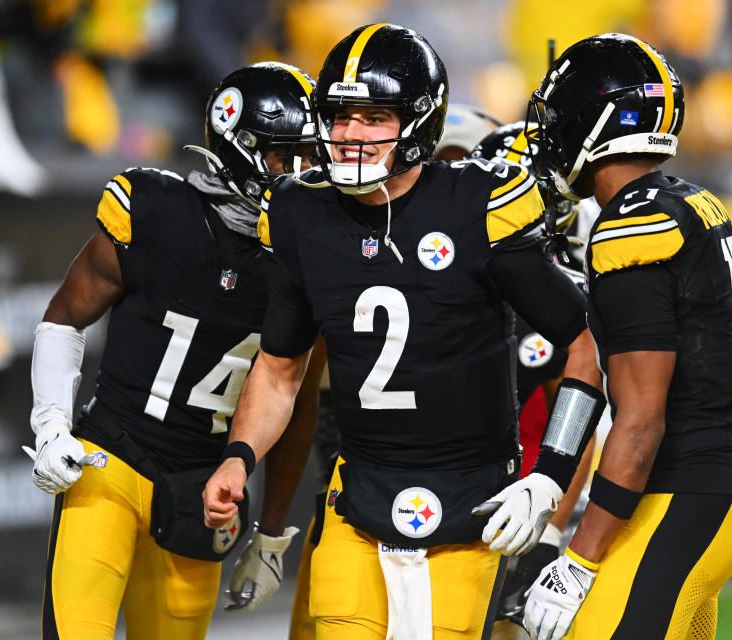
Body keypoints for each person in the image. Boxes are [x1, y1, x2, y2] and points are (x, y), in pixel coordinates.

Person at [203, 23, 603, 640]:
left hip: (474, 504)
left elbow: (583, 346)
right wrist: (239, 457)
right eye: (340, 117)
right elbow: (281, 371)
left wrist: (548, 478)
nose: (352, 136)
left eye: (373, 118)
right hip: (358, 497)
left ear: (417, 122)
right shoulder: (298, 214)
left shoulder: (480, 205)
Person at [25, 61, 322, 640]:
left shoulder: (308, 256)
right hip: (109, 464)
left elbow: (298, 403)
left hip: (201, 492)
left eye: (315, 157)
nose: (309, 174)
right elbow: (65, 317)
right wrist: (52, 424)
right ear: (244, 147)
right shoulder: (155, 209)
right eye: (293, 157)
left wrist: (271, 532)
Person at [522, 33, 732, 640]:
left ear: (594, 121)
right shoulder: (684, 200)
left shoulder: (634, 226)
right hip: (711, 484)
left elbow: (640, 422)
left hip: (686, 486)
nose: (549, 133)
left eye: (558, 116)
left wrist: (576, 562)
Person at [469, 121, 595, 640]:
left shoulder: (563, 296)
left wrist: (551, 522)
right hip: (441, 480)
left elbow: (580, 414)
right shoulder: (434, 272)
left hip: (523, 490)